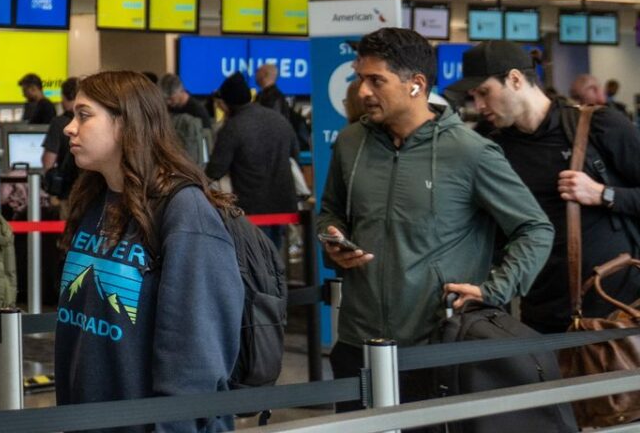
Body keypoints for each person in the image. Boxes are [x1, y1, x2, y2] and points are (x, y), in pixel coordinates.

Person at [317, 27, 552, 406]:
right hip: (357, 339)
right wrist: (332, 235)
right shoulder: (350, 143)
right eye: (360, 79)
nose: (362, 92)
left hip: (436, 343)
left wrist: (494, 290)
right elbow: (329, 209)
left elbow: (535, 228)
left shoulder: (471, 152)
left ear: (416, 84)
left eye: (376, 80)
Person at [54, 72, 243, 430]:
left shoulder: (185, 211)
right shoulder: (94, 200)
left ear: (126, 123)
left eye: (84, 114)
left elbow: (195, 355)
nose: (69, 127)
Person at [459, 41, 640, 333]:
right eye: (474, 96)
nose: (479, 106)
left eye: (484, 92)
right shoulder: (493, 148)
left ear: (515, 79)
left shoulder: (597, 125)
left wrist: (603, 194)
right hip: (542, 314)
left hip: (616, 310)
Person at [205, 73, 298, 243]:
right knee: (277, 255)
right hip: (284, 204)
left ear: (227, 103)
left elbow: (215, 170)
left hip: (254, 207)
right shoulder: (278, 119)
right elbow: (295, 152)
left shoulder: (232, 127)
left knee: (259, 259)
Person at [252, 62, 309, 153]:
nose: (255, 74)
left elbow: (274, 126)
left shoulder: (272, 98)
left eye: (258, 71)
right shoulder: (268, 97)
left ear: (265, 74)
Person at [159, 74, 209, 166]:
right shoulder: (169, 108)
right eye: (166, 99)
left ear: (181, 91)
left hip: (193, 162)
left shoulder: (198, 111)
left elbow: (206, 145)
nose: (168, 102)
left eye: (171, 98)